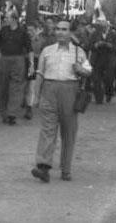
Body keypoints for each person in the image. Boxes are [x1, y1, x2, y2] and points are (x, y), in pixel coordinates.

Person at [31, 19, 92, 183]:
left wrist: (81, 70)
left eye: (64, 29)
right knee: (47, 130)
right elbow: (40, 74)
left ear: (70, 33)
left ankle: (66, 169)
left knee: (68, 132)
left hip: (70, 92)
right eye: (57, 29)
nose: (60, 32)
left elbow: (88, 69)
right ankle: (43, 167)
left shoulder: (79, 52)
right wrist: (36, 95)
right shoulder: (47, 51)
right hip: (49, 91)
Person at [0, 10, 34, 126]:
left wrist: (31, 64)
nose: (5, 19)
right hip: (5, 59)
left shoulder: (23, 32)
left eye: (7, 17)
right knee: (3, 86)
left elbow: (29, 49)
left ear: (14, 19)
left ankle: (12, 114)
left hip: (18, 60)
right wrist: (0, 59)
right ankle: (4, 113)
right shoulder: (3, 30)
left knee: (16, 87)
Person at [88, 20, 116, 104]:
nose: (102, 28)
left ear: (107, 26)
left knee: (109, 78)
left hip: (109, 59)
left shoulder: (113, 34)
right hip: (97, 59)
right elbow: (90, 45)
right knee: (96, 79)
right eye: (101, 26)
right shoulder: (94, 34)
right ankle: (99, 98)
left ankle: (109, 93)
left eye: (104, 26)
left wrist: (110, 45)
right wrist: (96, 45)